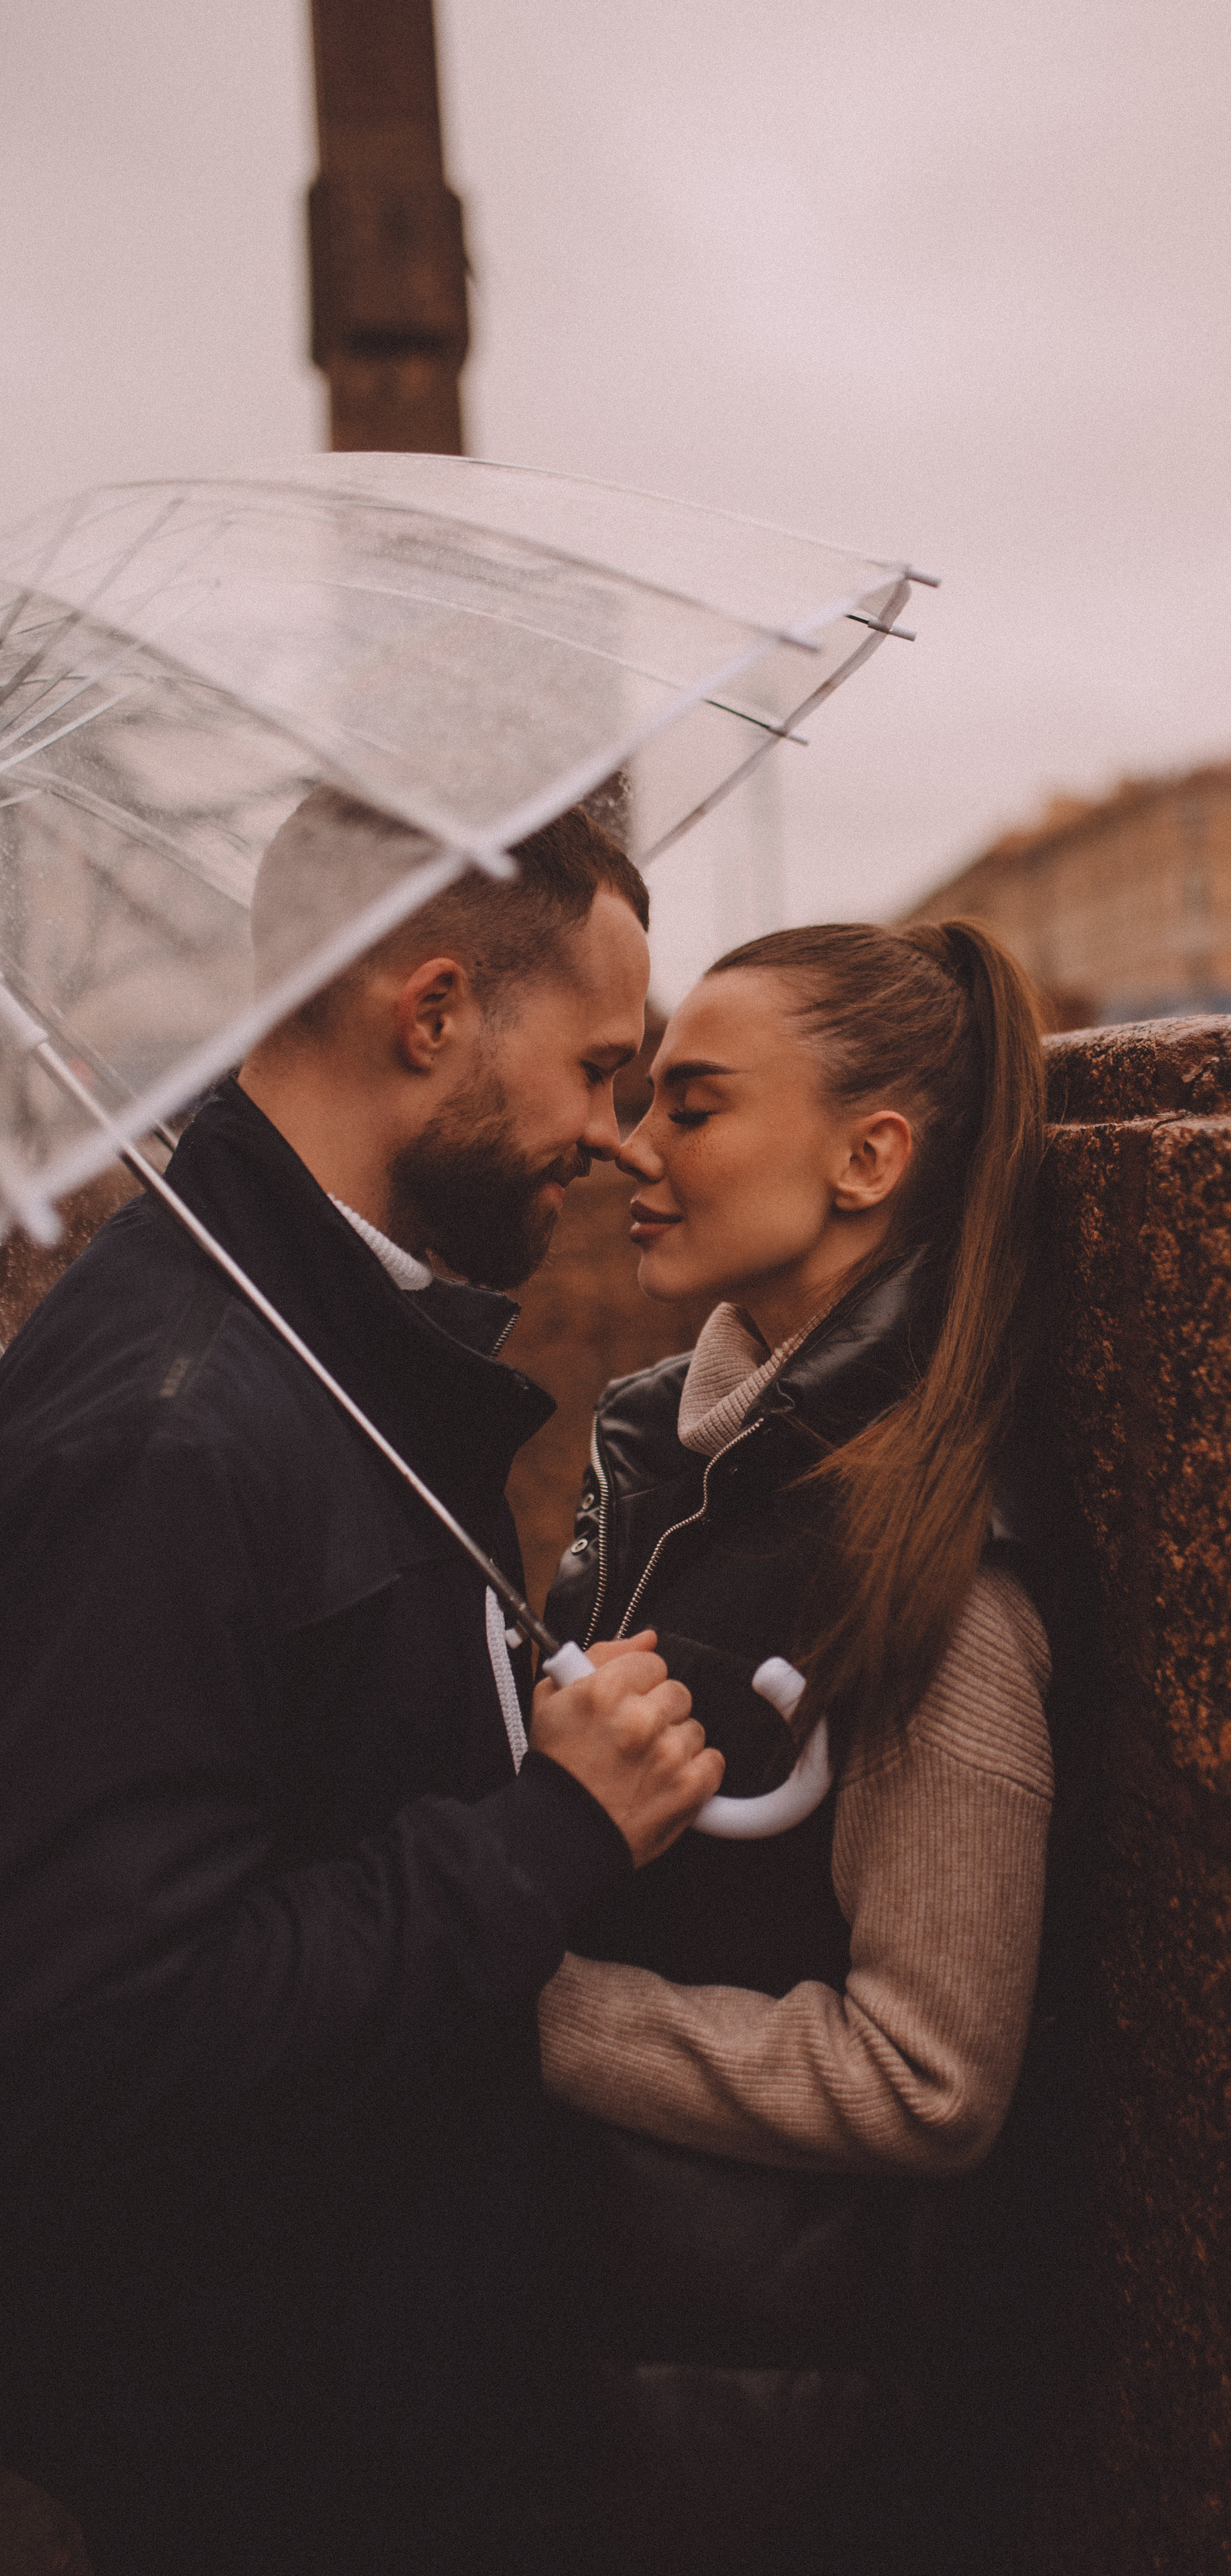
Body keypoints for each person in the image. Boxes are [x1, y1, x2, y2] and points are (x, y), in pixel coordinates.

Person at [0, 795, 723, 2576]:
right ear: (432, 1016)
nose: (623, 1144)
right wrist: (547, 1832)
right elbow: (107, 2044)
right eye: (603, 1072)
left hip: (366, 2386)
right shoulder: (180, 1427)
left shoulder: (327, 1334)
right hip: (280, 2459)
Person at [536, 917, 1057, 2573]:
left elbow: (931, 2077)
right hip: (616, 2318)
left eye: (692, 1103)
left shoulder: (937, 1572)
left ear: (867, 1155)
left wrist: (528, 2003)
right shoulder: (671, 1456)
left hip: (769, 2401)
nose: (632, 1140)